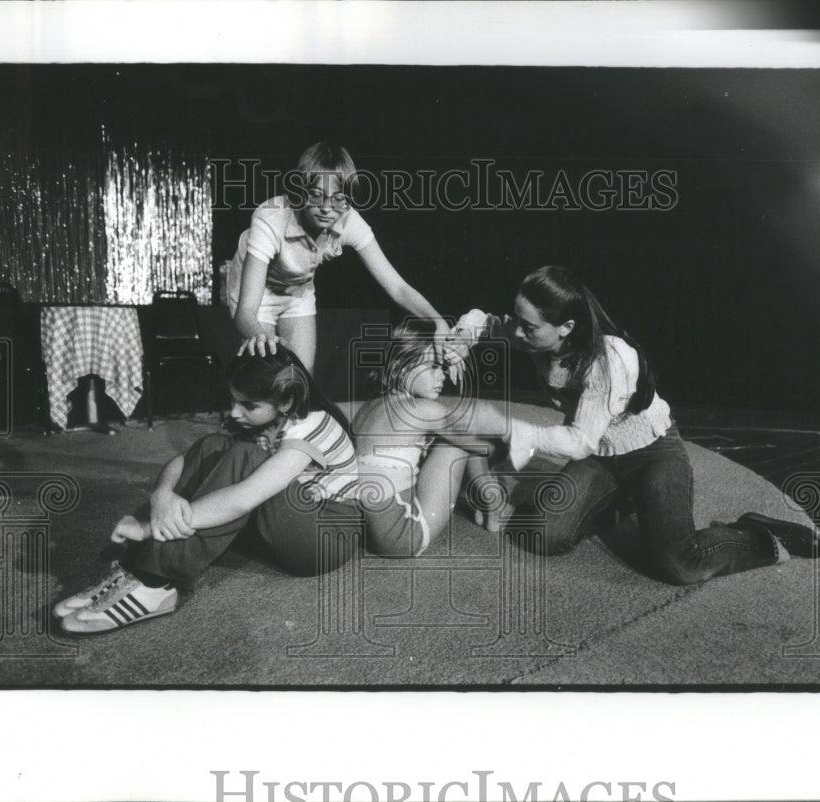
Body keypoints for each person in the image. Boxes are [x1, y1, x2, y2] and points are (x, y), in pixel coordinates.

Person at [447, 265, 820, 586]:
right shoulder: (531, 333)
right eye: (518, 318)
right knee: (543, 533)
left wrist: (507, 428)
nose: (517, 332)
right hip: (602, 454)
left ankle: (757, 534)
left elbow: (578, 442)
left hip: (652, 452)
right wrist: (457, 343)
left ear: (566, 327)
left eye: (529, 327)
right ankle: (616, 501)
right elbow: (486, 323)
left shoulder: (607, 358)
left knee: (679, 563)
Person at [53, 347, 364, 634]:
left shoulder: (311, 424)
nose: (235, 412)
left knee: (245, 457)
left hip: (324, 538)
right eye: (232, 400)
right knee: (213, 445)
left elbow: (244, 498)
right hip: (283, 523)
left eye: (248, 404)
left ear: (286, 402)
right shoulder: (266, 417)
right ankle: (136, 567)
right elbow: (183, 460)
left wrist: (149, 527)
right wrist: (161, 497)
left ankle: (156, 581)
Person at [228, 142, 450, 373]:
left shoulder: (349, 220)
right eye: (316, 195)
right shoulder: (270, 219)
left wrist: (438, 321)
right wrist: (265, 339)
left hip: (298, 291)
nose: (326, 207)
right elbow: (245, 312)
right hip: (257, 294)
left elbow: (398, 288)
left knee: (303, 379)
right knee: (268, 374)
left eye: (338, 198)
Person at [351, 319, 508, 557]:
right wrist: (502, 444)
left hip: (366, 532)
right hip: (404, 535)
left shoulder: (367, 408)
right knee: (459, 441)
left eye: (443, 368)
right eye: (434, 366)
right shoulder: (423, 409)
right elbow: (483, 446)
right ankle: (491, 499)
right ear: (402, 367)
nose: (442, 377)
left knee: (445, 436)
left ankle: (485, 497)